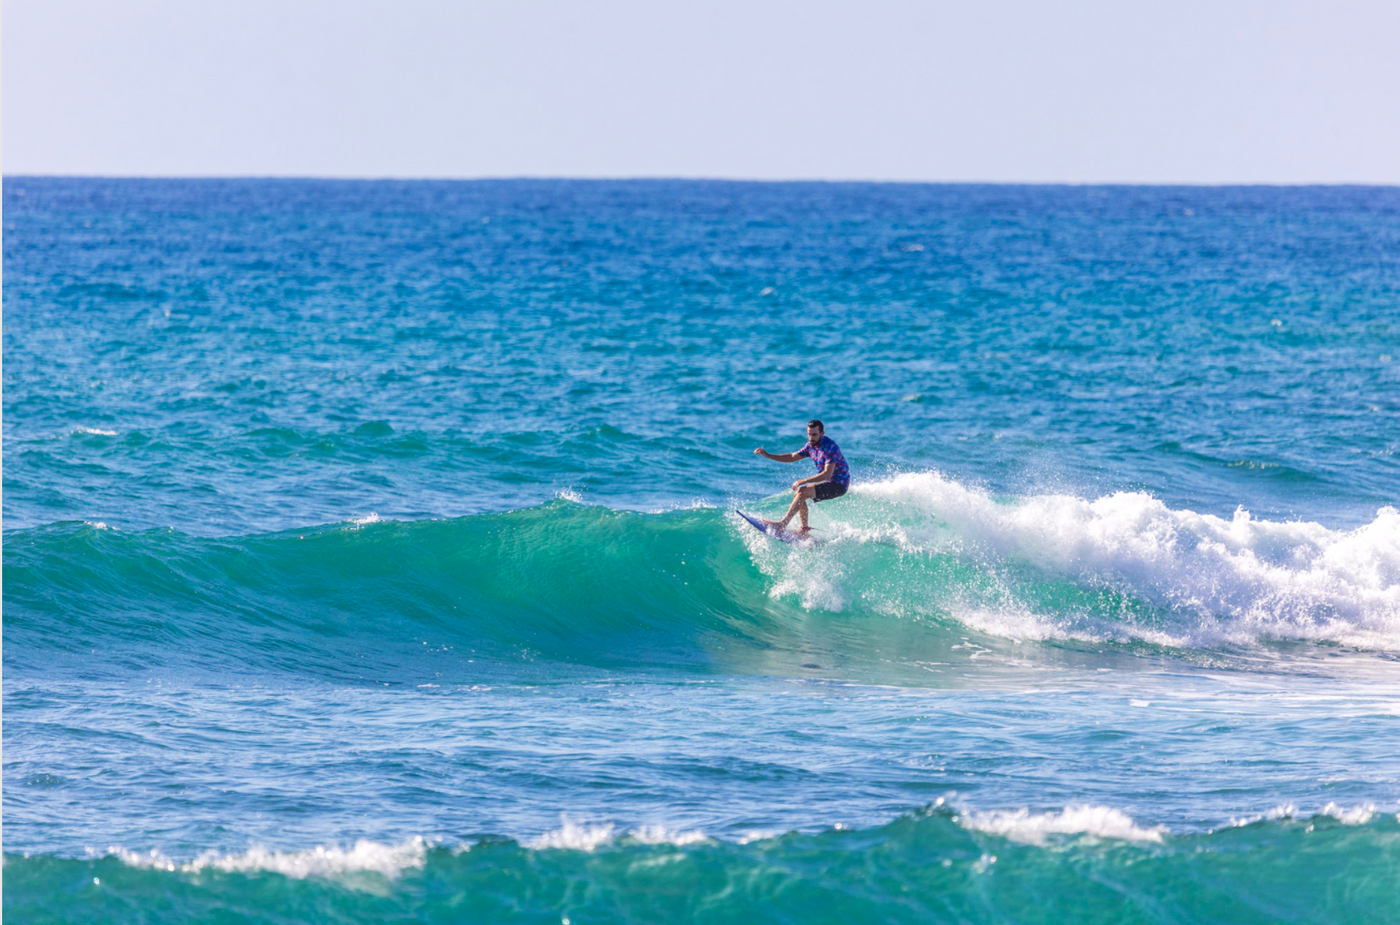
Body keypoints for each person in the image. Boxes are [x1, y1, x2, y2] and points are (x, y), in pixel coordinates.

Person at [753, 419, 850, 534]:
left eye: (814, 435)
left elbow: (827, 474)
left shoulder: (830, 448)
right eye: (809, 434)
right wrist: (769, 455)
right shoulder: (810, 446)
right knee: (799, 495)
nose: (811, 438)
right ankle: (804, 530)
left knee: (802, 491)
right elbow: (792, 456)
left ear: (822, 434)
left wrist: (803, 481)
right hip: (830, 482)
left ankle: (782, 524)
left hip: (839, 485)